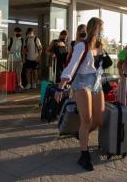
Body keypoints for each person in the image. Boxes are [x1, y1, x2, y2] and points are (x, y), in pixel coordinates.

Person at [55, 17, 105, 171]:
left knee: (98, 120)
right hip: (82, 82)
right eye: (101, 28)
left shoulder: (100, 45)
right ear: (94, 28)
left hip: (96, 82)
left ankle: (81, 134)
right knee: (87, 119)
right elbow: (72, 65)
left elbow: (100, 65)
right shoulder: (81, 45)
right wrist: (61, 85)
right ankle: (84, 154)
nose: (103, 31)